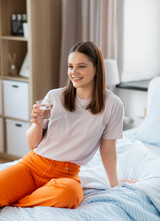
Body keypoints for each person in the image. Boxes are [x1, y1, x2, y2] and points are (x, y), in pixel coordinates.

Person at [0, 41, 136, 209]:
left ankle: (17, 202)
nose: (74, 72)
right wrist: (36, 123)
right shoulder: (55, 96)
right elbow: (32, 144)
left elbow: (107, 151)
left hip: (66, 175)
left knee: (70, 195)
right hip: (32, 166)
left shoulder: (113, 105)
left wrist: (115, 185)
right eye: (70, 66)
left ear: (96, 69)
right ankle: (28, 195)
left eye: (81, 66)